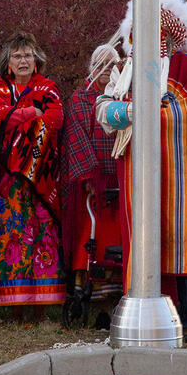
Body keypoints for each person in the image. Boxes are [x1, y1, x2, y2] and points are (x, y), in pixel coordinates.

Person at [97, 0, 187, 346]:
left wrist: (138, 113)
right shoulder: (124, 71)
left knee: (182, 239)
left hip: (179, 172)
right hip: (137, 171)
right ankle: (140, 309)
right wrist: (130, 112)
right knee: (143, 241)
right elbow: (103, 111)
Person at [0, 32, 66, 319]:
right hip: (9, 183)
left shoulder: (49, 88)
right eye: (17, 55)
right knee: (13, 237)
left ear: (37, 61)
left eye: (28, 55)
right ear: (8, 62)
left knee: (42, 234)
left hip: (40, 180)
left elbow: (55, 119)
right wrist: (31, 113)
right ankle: (15, 307)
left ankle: (41, 307)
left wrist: (17, 118)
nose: (23, 60)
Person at [61, 43, 120, 327]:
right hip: (92, 183)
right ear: (92, 67)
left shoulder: (123, 96)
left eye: (113, 64)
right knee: (91, 241)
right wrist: (89, 176)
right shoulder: (81, 98)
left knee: (117, 244)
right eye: (103, 64)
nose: (108, 70)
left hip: (120, 179)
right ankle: (88, 299)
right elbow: (77, 138)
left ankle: (112, 305)